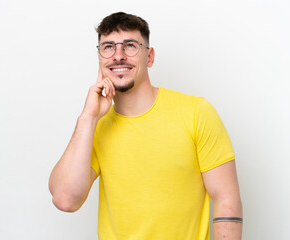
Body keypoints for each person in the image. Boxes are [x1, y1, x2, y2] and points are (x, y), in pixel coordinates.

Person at [49, 12, 243, 240]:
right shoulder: (95, 127)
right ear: (100, 58)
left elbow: (226, 200)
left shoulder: (196, 112)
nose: (118, 56)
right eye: (108, 47)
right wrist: (88, 117)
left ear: (149, 57)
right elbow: (65, 199)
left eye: (130, 46)